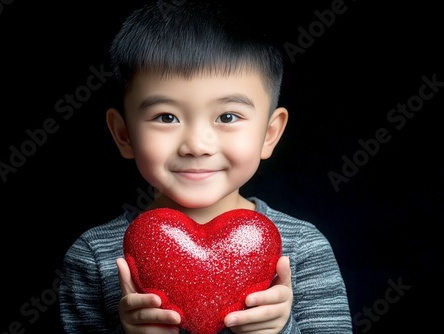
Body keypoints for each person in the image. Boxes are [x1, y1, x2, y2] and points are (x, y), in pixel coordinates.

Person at [58, 1, 353, 333]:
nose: (197, 145)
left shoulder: (302, 247)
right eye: (166, 117)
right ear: (124, 134)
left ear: (269, 134)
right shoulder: (92, 256)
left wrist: (281, 329)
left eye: (227, 117)